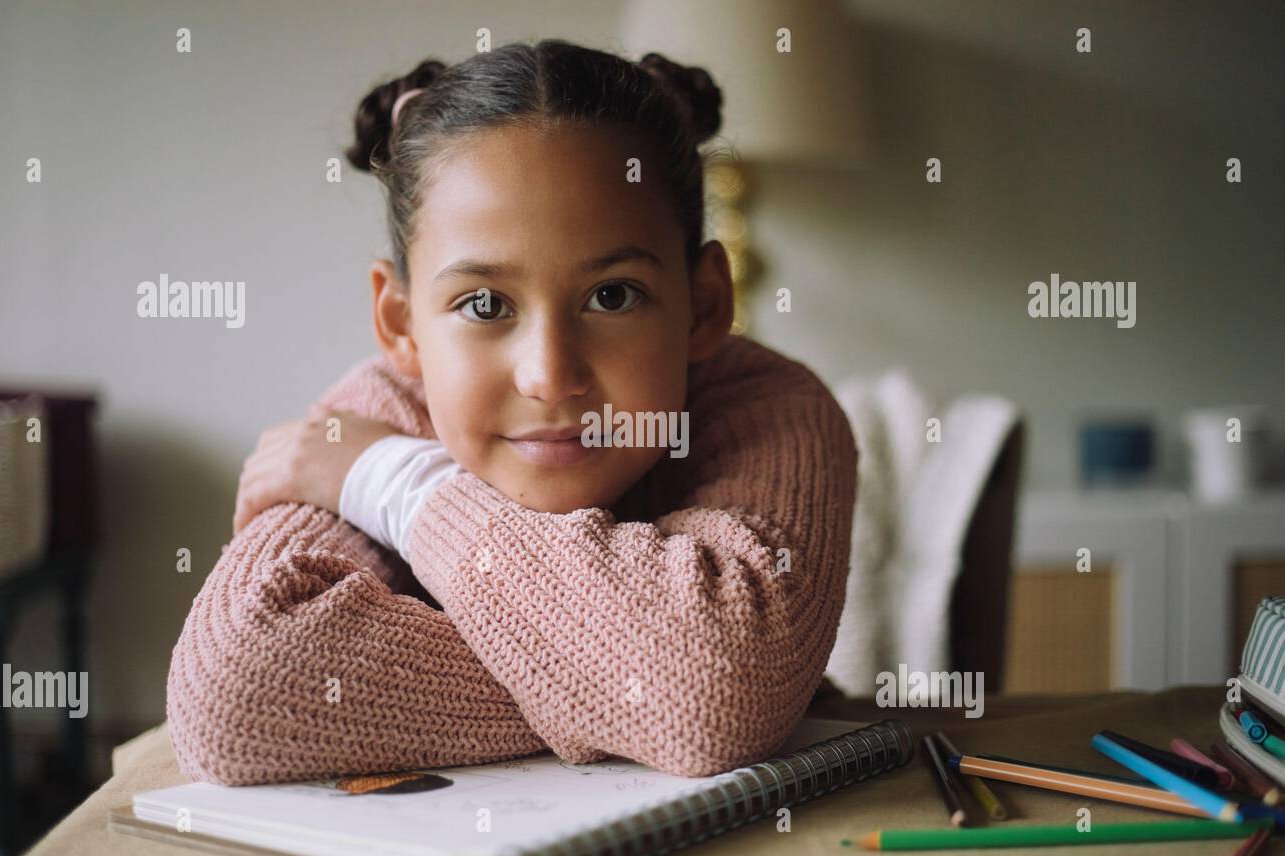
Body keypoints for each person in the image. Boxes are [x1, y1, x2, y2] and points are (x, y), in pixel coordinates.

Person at [166, 39, 858, 786]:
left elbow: (721, 686)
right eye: (485, 304)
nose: (551, 376)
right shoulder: (360, 425)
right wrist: (645, 678)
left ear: (706, 303)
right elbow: (234, 693)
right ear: (400, 322)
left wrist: (399, 485)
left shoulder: (770, 410)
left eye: (613, 295)